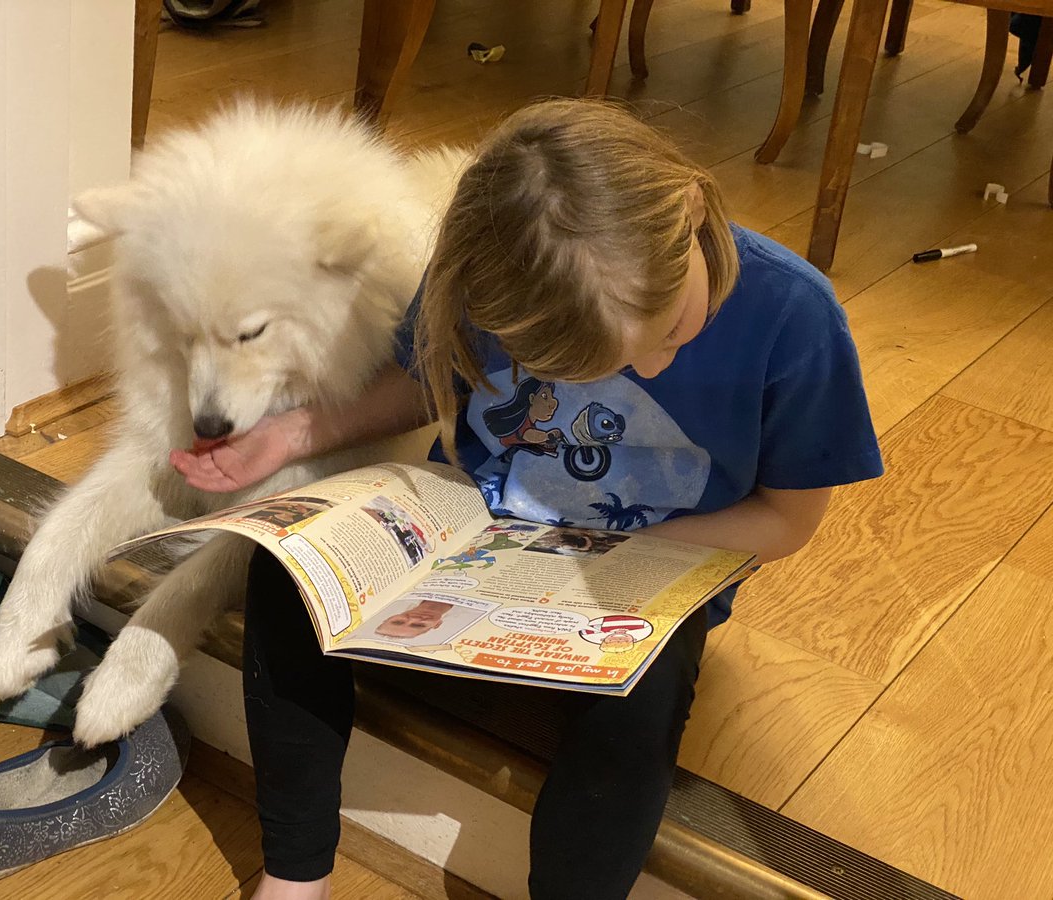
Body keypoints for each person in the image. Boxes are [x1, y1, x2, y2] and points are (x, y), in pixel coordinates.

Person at [170, 99, 884, 900]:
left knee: (637, 711)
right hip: (466, 542)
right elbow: (423, 379)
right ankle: (296, 873)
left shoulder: (795, 317)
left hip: (646, 573)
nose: (652, 369)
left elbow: (785, 521)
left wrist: (589, 555)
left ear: (691, 208)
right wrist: (292, 436)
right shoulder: (493, 274)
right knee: (285, 574)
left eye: (674, 333)